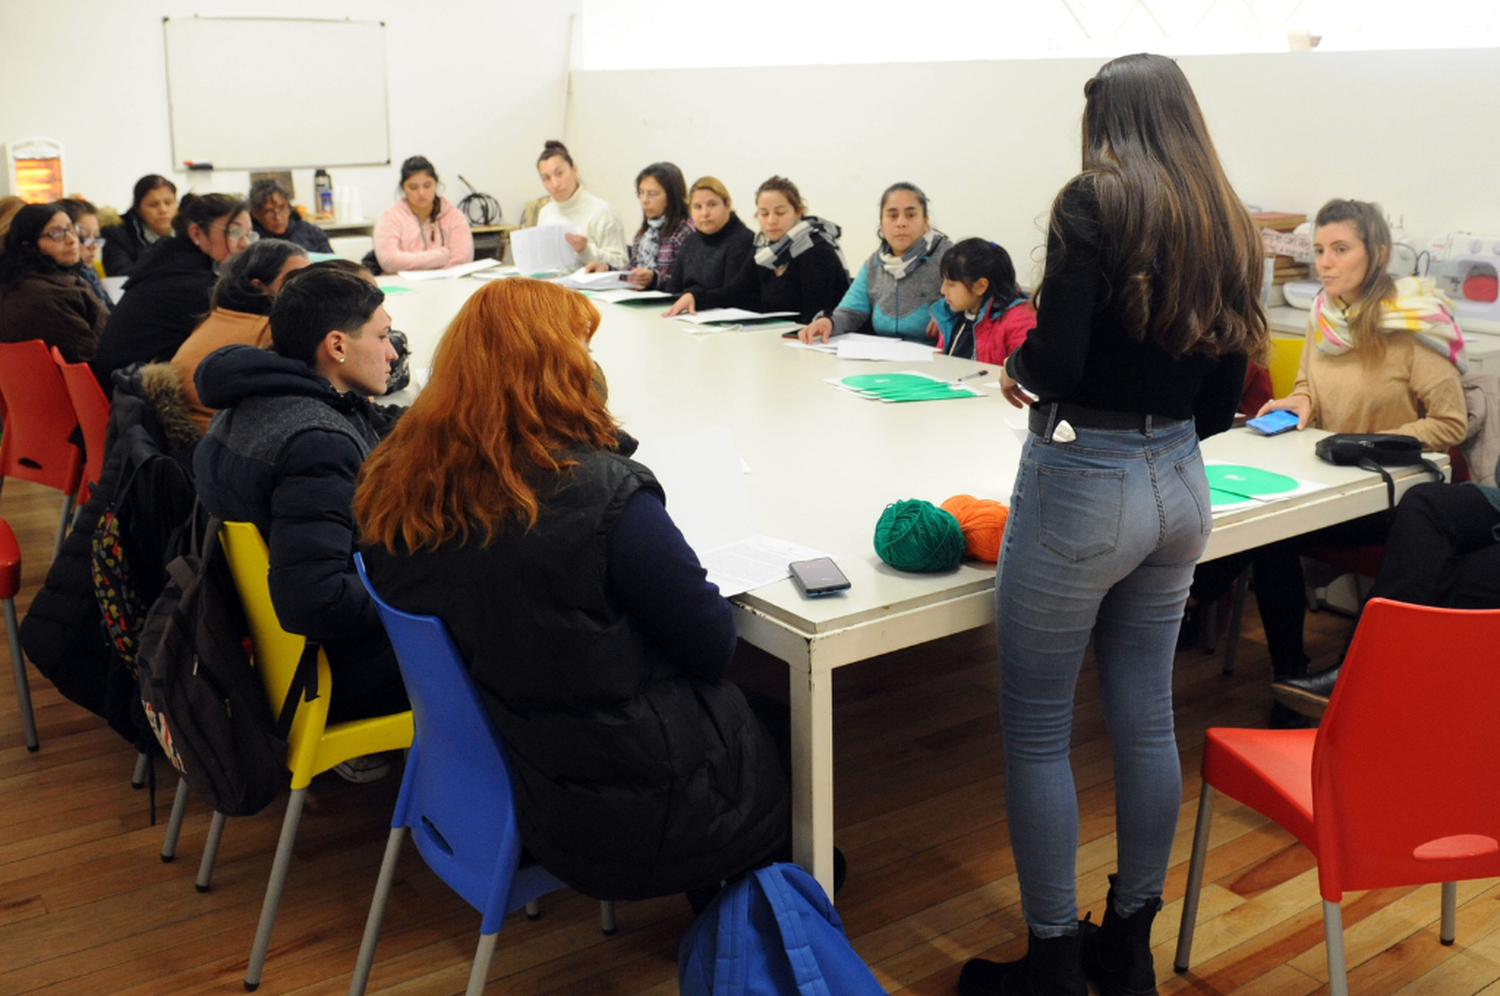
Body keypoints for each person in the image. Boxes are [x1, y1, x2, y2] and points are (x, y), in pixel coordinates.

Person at [959, 54, 1266, 996]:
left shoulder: (1092, 200)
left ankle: (1053, 961)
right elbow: (1227, 385)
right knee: (1142, 719)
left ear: (1109, 122)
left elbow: (1063, 352)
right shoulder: (1225, 214)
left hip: (1084, 477)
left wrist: (1026, 368)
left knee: (1041, 731)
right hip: (1181, 479)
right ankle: (1127, 949)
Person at [352, 277, 789, 902]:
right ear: (559, 369)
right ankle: (757, 903)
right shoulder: (600, 494)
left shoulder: (400, 476)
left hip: (504, 766)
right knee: (772, 719)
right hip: (632, 807)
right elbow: (713, 646)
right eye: (583, 353)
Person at [1214, 200, 1465, 711]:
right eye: (1320, 251)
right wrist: (1300, 401)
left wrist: (1370, 443)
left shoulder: (1413, 325)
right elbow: (1309, 382)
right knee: (1270, 533)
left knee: (1273, 534)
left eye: (1341, 250)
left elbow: (1451, 423)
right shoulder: (1324, 316)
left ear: (1377, 254)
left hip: (1390, 498)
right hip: (1328, 477)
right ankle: (1293, 681)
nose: (1325, 263)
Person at [193, 264, 409, 755]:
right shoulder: (317, 442)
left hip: (273, 663)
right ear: (337, 346)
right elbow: (316, 599)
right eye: (382, 336)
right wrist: (417, 580)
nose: (393, 352)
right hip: (338, 675)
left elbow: (377, 422)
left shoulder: (255, 402)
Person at [92, 193, 254, 386]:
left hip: (124, 388)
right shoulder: (190, 282)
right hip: (136, 398)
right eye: (234, 232)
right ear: (196, 233)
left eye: (248, 234)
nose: (245, 244)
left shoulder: (169, 263)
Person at [169, 239, 311, 431]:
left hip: (201, 442)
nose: (310, 288)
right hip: (226, 443)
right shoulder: (274, 331)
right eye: (294, 280)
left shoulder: (218, 317)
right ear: (259, 286)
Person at [667, 176, 848, 326]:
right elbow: (735, 292)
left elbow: (814, 317)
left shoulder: (816, 250)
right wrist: (695, 298)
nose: (771, 221)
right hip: (775, 339)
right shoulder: (764, 249)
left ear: (798, 212)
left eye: (780, 212)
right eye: (764, 213)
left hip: (812, 344)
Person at [798, 182, 952, 344]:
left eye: (911, 215)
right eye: (892, 216)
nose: (901, 223)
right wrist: (828, 322)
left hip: (940, 361)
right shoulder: (873, 265)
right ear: (882, 224)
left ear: (925, 222)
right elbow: (850, 313)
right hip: (887, 359)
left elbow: (974, 307)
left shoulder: (949, 258)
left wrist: (951, 314)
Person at [0, 203, 108, 363]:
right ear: (28, 244)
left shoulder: (15, 282)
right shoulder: (51, 296)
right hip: (86, 384)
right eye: (56, 234)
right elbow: (95, 360)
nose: (72, 240)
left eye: (72, 229)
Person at [585, 161, 694, 290]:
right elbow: (633, 273)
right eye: (641, 193)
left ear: (671, 196)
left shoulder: (686, 232)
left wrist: (653, 279)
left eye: (652, 194)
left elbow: (687, 281)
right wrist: (607, 269)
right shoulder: (644, 234)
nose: (644, 200)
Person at [934, 238, 1037, 363]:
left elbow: (1023, 374)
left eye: (951, 284)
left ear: (980, 286)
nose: (943, 290)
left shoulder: (1020, 320)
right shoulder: (952, 316)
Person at [658, 176, 754, 303]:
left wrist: (696, 298)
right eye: (697, 207)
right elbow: (672, 290)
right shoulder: (690, 241)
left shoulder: (743, 240)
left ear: (728, 205)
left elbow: (732, 296)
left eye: (712, 204)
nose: (705, 213)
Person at [535, 139, 628, 270]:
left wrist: (585, 250)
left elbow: (621, 264)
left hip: (589, 289)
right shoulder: (546, 212)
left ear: (574, 170)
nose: (555, 184)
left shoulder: (602, 211)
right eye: (546, 178)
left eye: (560, 173)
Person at [372, 156, 472, 273]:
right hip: (403, 285)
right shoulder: (389, 218)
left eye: (427, 185)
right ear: (403, 188)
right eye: (413, 187)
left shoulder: (454, 216)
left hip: (446, 283)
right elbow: (389, 262)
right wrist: (440, 256)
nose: (421, 193)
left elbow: (462, 260)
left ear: (436, 184)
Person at [100, 174, 177, 277]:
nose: (163, 210)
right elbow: (122, 277)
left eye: (168, 203)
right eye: (153, 205)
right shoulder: (117, 235)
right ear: (138, 209)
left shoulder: (190, 231)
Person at [248, 178, 333, 254]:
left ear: (289, 208)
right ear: (255, 214)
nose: (278, 217)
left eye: (282, 208)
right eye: (269, 212)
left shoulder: (312, 233)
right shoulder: (250, 241)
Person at [57, 198, 113, 311]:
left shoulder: (89, 273)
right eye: (84, 236)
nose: (93, 246)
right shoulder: (65, 283)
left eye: (96, 237)